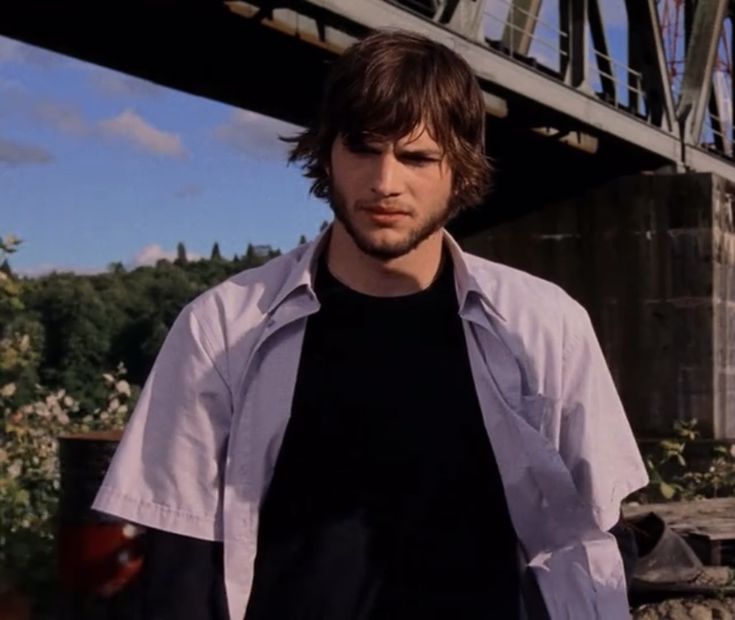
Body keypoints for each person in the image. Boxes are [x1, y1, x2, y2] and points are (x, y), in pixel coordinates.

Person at [93, 29, 648, 619]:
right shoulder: (222, 329)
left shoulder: (545, 326)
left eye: (416, 157)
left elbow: (597, 538)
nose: (386, 182)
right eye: (362, 148)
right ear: (327, 154)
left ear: (458, 170)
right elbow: (180, 562)